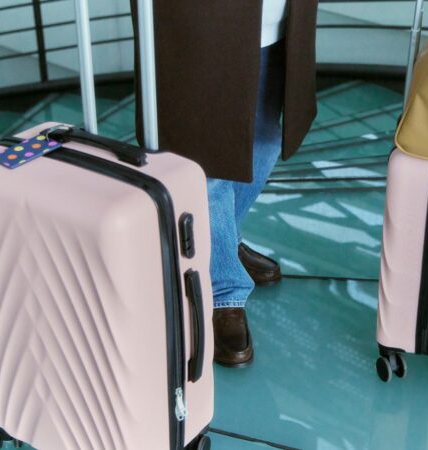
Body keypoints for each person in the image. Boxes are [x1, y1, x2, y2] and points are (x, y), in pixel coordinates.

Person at [131, 0, 318, 367]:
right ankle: (223, 291)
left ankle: (223, 242)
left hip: (276, 21)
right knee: (208, 157)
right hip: (204, 23)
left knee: (265, 138)